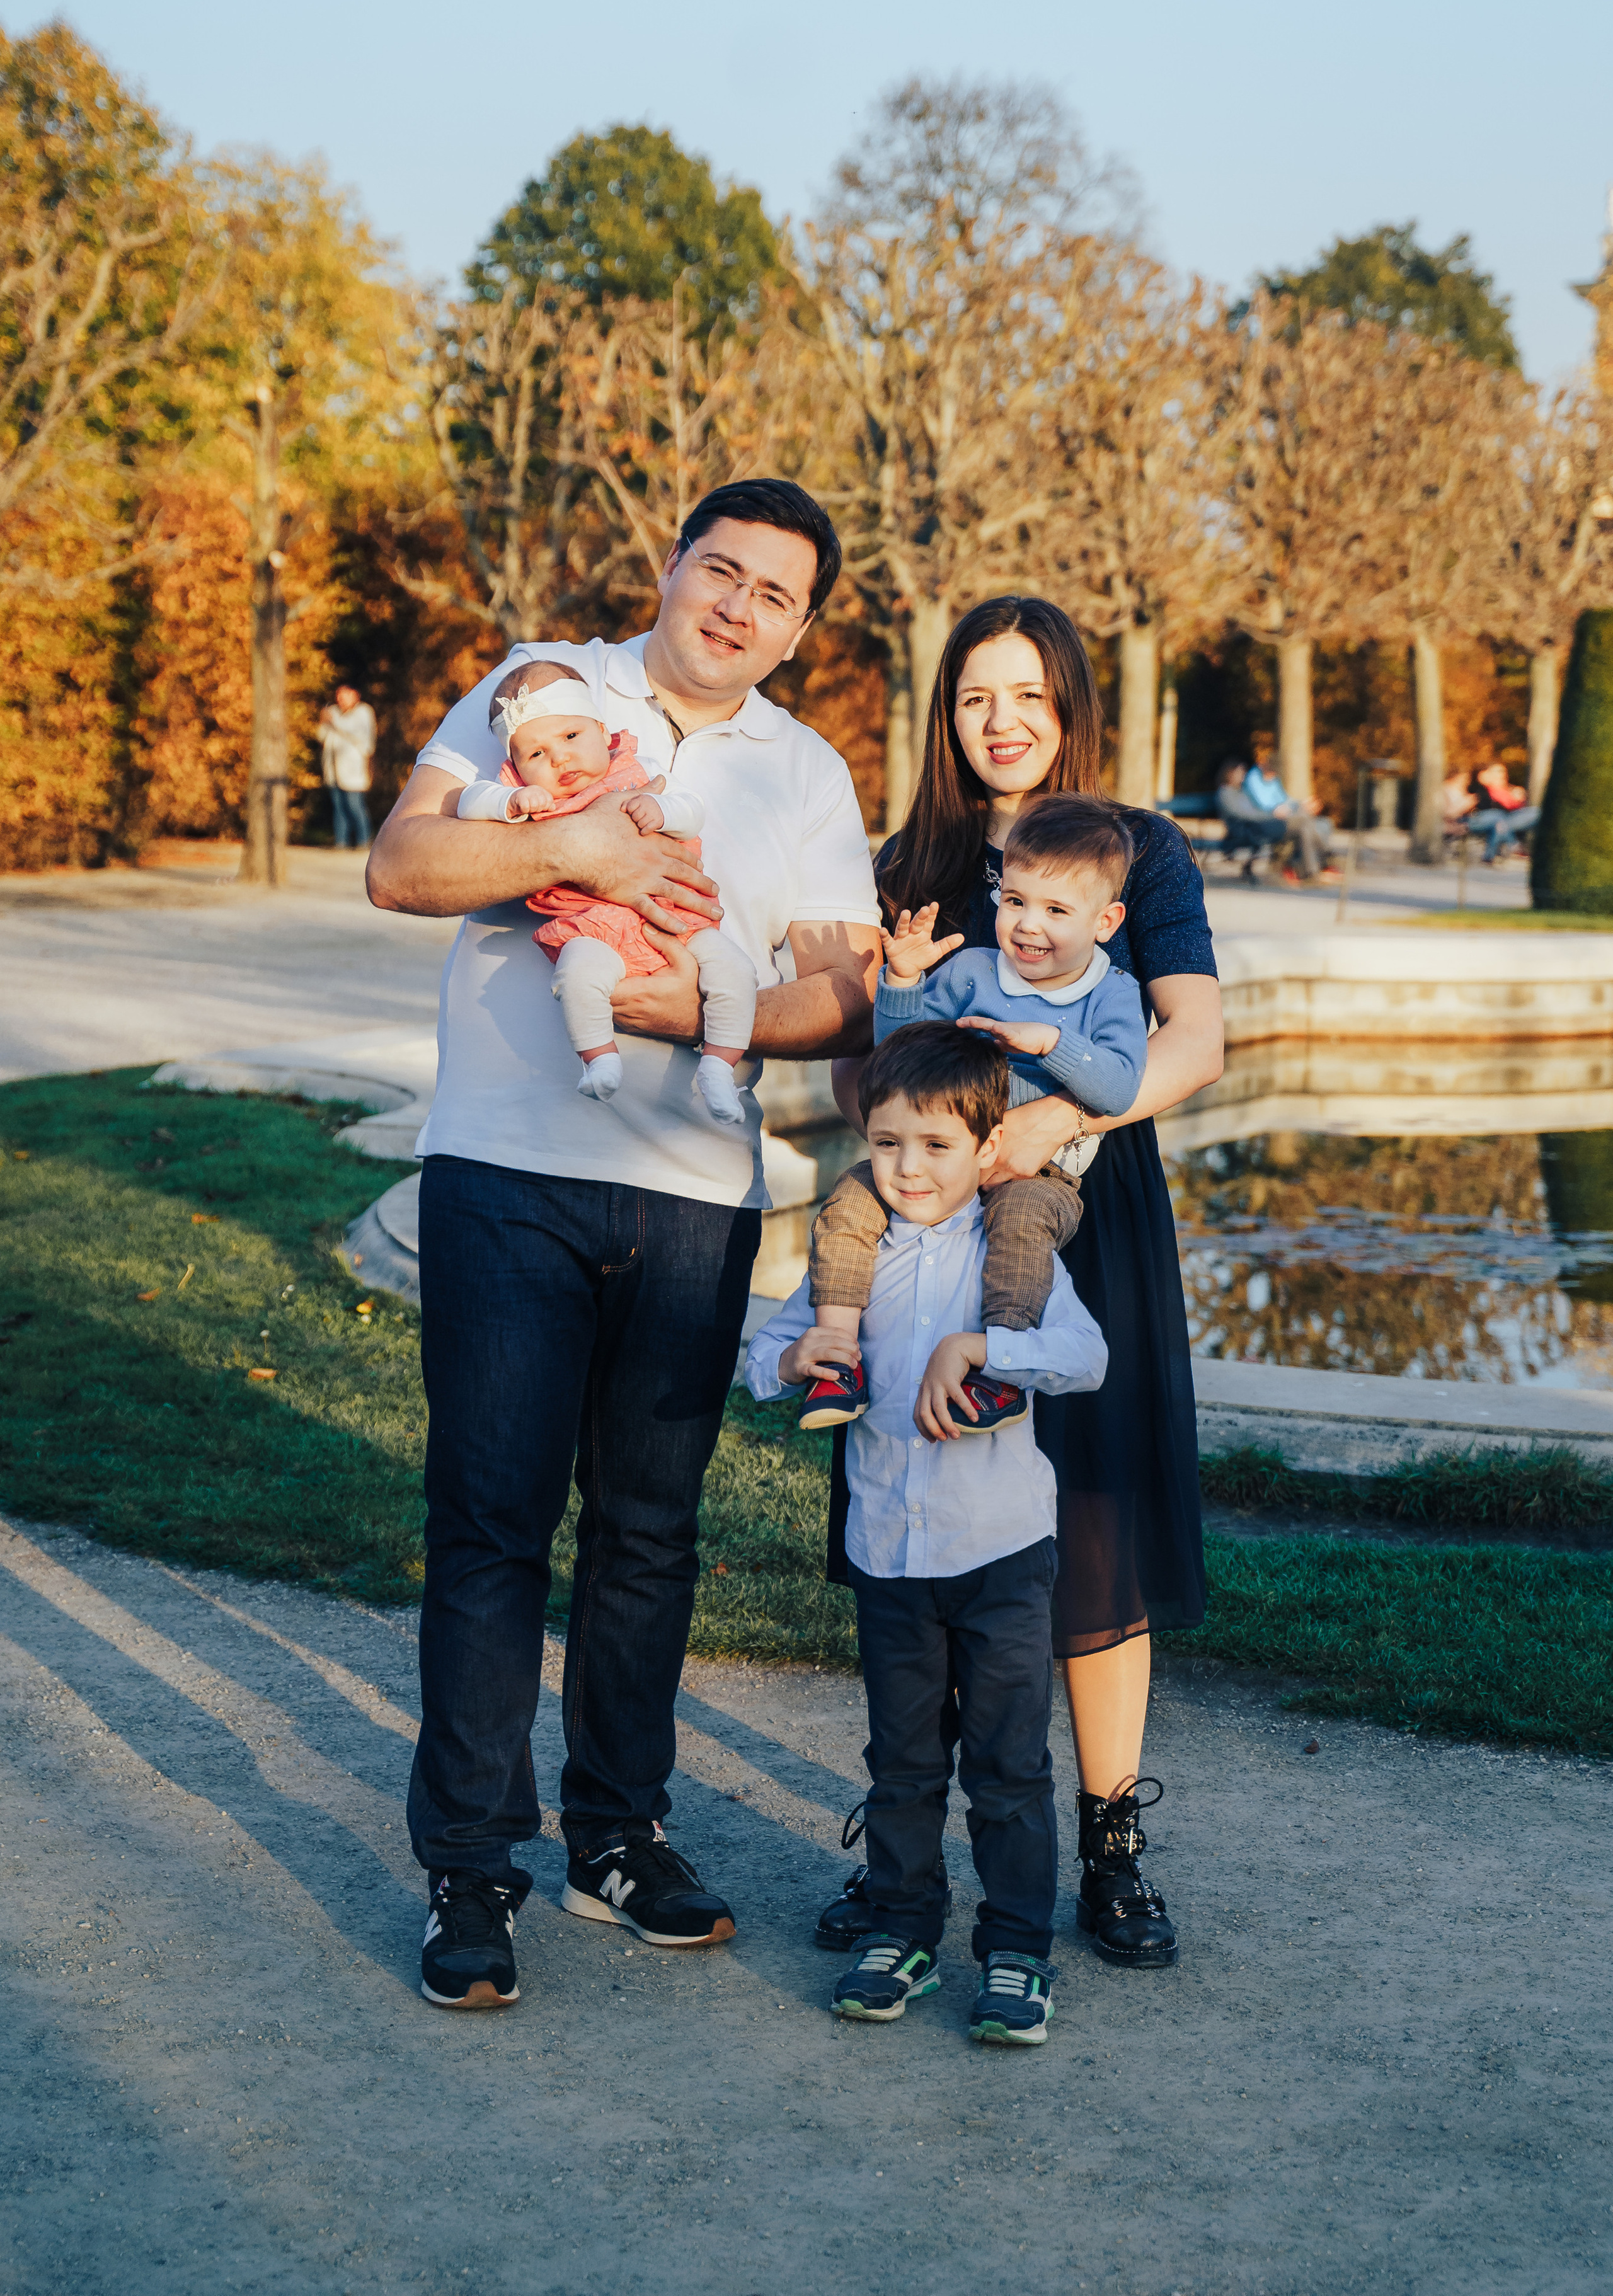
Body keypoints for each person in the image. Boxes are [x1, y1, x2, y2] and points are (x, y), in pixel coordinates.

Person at [365, 478, 884, 2009]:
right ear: (667, 566)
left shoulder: (806, 774)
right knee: (489, 1522)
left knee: (650, 1532)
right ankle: (472, 1864)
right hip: (505, 1170)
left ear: (798, 628)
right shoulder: (538, 685)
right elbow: (402, 866)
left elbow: (840, 999)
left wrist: (681, 1008)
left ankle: (617, 1830)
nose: (733, 606)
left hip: (692, 1196)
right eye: (717, 570)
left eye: (771, 595)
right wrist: (575, 847)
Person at [817, 597, 1224, 1969]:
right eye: (976, 696)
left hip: (1081, 1230)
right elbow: (863, 1072)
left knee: (1092, 1540)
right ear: (946, 714)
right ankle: (906, 1858)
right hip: (927, 1241)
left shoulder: (1139, 852)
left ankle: (1107, 1847)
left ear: (1069, 709)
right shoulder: (912, 863)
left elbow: (1195, 1042)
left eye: (1029, 695)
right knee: (932, 1528)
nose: (1002, 721)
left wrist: (1060, 1123)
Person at [747, 1025, 1108, 2046]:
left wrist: (984, 1345)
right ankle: (903, 1927)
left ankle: (1015, 1951)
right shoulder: (845, 1266)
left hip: (999, 1556)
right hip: (891, 1560)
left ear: (987, 1149)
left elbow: (1084, 1360)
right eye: (890, 1143)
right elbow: (759, 1355)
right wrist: (799, 1356)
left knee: (1007, 1770)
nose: (909, 1168)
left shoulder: (1009, 1258)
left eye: (937, 1147)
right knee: (903, 1766)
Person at [798, 794, 1145, 1437]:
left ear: (1106, 920)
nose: (1027, 925)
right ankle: (835, 1353)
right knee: (851, 1198)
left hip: (1036, 1178)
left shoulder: (1113, 994)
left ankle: (999, 1370)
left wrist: (1049, 1042)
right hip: (938, 1164)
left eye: (1056, 910)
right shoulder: (971, 972)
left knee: (1018, 1227)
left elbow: (1121, 1089)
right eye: (1015, 901)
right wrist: (902, 984)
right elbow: (901, 1060)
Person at [455, 661, 756, 1123]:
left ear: (602, 730)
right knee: (577, 976)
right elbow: (466, 802)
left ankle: (718, 1066)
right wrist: (508, 802)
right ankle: (599, 1059)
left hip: (673, 919)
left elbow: (690, 809)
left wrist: (662, 810)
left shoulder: (639, 771)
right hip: (595, 929)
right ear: (516, 767)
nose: (558, 759)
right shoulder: (525, 793)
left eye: (572, 738)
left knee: (735, 971)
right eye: (536, 755)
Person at [1244, 754, 1337, 880]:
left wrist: (1300, 803)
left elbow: (1284, 799)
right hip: (1268, 821)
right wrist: (1277, 810)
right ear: (1265, 766)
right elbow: (1263, 804)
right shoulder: (1253, 778)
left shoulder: (1272, 778)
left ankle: (1311, 872)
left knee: (1307, 825)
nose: (1273, 775)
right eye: (1272, 771)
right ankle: (1325, 856)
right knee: (1304, 819)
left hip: (1282, 815)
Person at [317, 683, 377, 847]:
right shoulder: (334, 712)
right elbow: (321, 736)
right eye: (338, 696)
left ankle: (364, 840)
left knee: (355, 805)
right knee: (339, 808)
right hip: (333, 768)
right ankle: (341, 842)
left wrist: (333, 721)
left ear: (355, 695)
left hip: (354, 769)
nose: (340, 699)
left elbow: (356, 732)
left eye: (345, 695)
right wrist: (324, 721)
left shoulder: (364, 712)